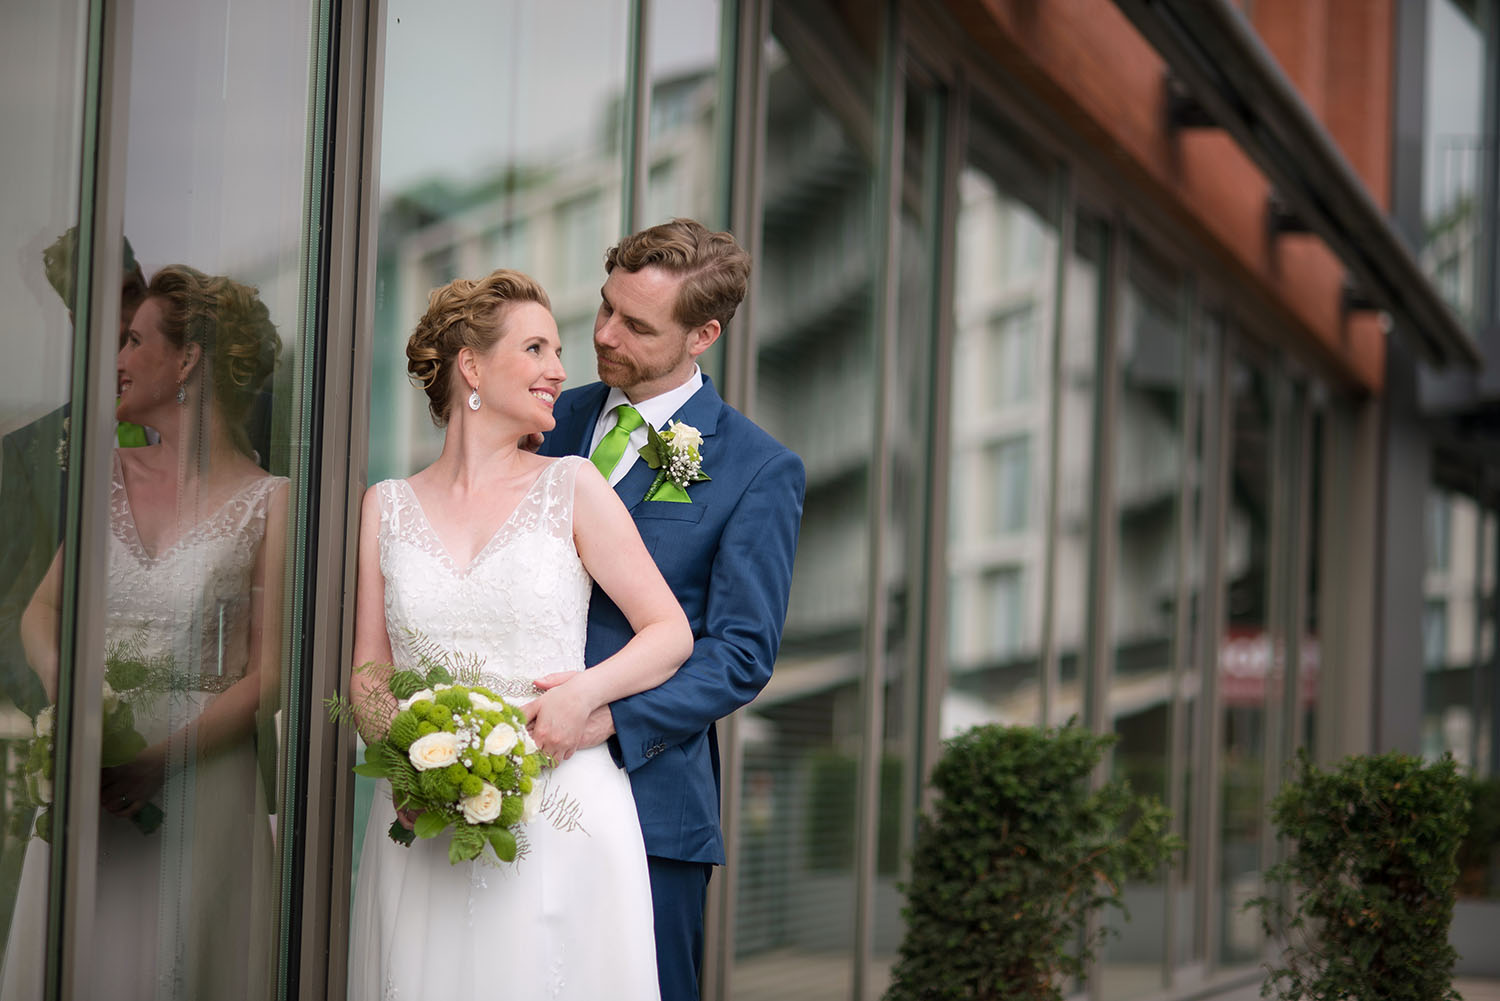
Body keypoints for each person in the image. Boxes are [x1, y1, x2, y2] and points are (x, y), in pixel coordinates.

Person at [345, 269, 692, 1001]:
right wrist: (407, 768)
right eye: (535, 348)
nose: (559, 371)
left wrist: (586, 696)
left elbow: (668, 632)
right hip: (421, 817)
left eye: (557, 350)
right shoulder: (387, 505)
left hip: (557, 803)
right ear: (471, 365)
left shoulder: (572, 485)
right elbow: (370, 671)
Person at [3, 265, 288, 1001]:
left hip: (202, 780)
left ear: (187, 358)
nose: (118, 360)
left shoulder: (274, 502)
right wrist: (74, 701)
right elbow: (42, 609)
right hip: (90, 773)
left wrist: (158, 762)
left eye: (133, 340)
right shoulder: (103, 474)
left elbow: (274, 672)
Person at [537, 218, 805, 1001]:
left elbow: (740, 652)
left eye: (637, 324)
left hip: (649, 800)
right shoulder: (543, 419)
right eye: (605, 307)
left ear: (704, 335)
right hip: (511, 777)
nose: (603, 334)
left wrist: (608, 717)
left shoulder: (758, 469)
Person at [0, 231, 150, 718]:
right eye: (107, 304)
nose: (129, 316)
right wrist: (63, 715)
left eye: (133, 292)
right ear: (76, 320)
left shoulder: (241, 423)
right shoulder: (28, 454)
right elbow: (10, 611)